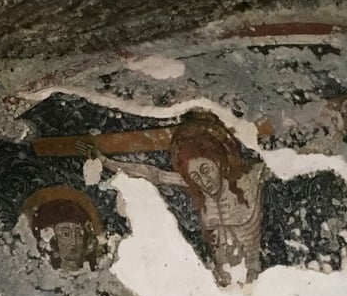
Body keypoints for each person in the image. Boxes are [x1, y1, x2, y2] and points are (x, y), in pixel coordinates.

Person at [78, 110, 265, 286]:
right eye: (195, 177)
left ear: (217, 160)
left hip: (256, 279)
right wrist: (105, 161)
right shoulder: (198, 191)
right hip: (222, 282)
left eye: (205, 170)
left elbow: (278, 168)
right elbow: (152, 174)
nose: (204, 182)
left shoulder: (250, 176)